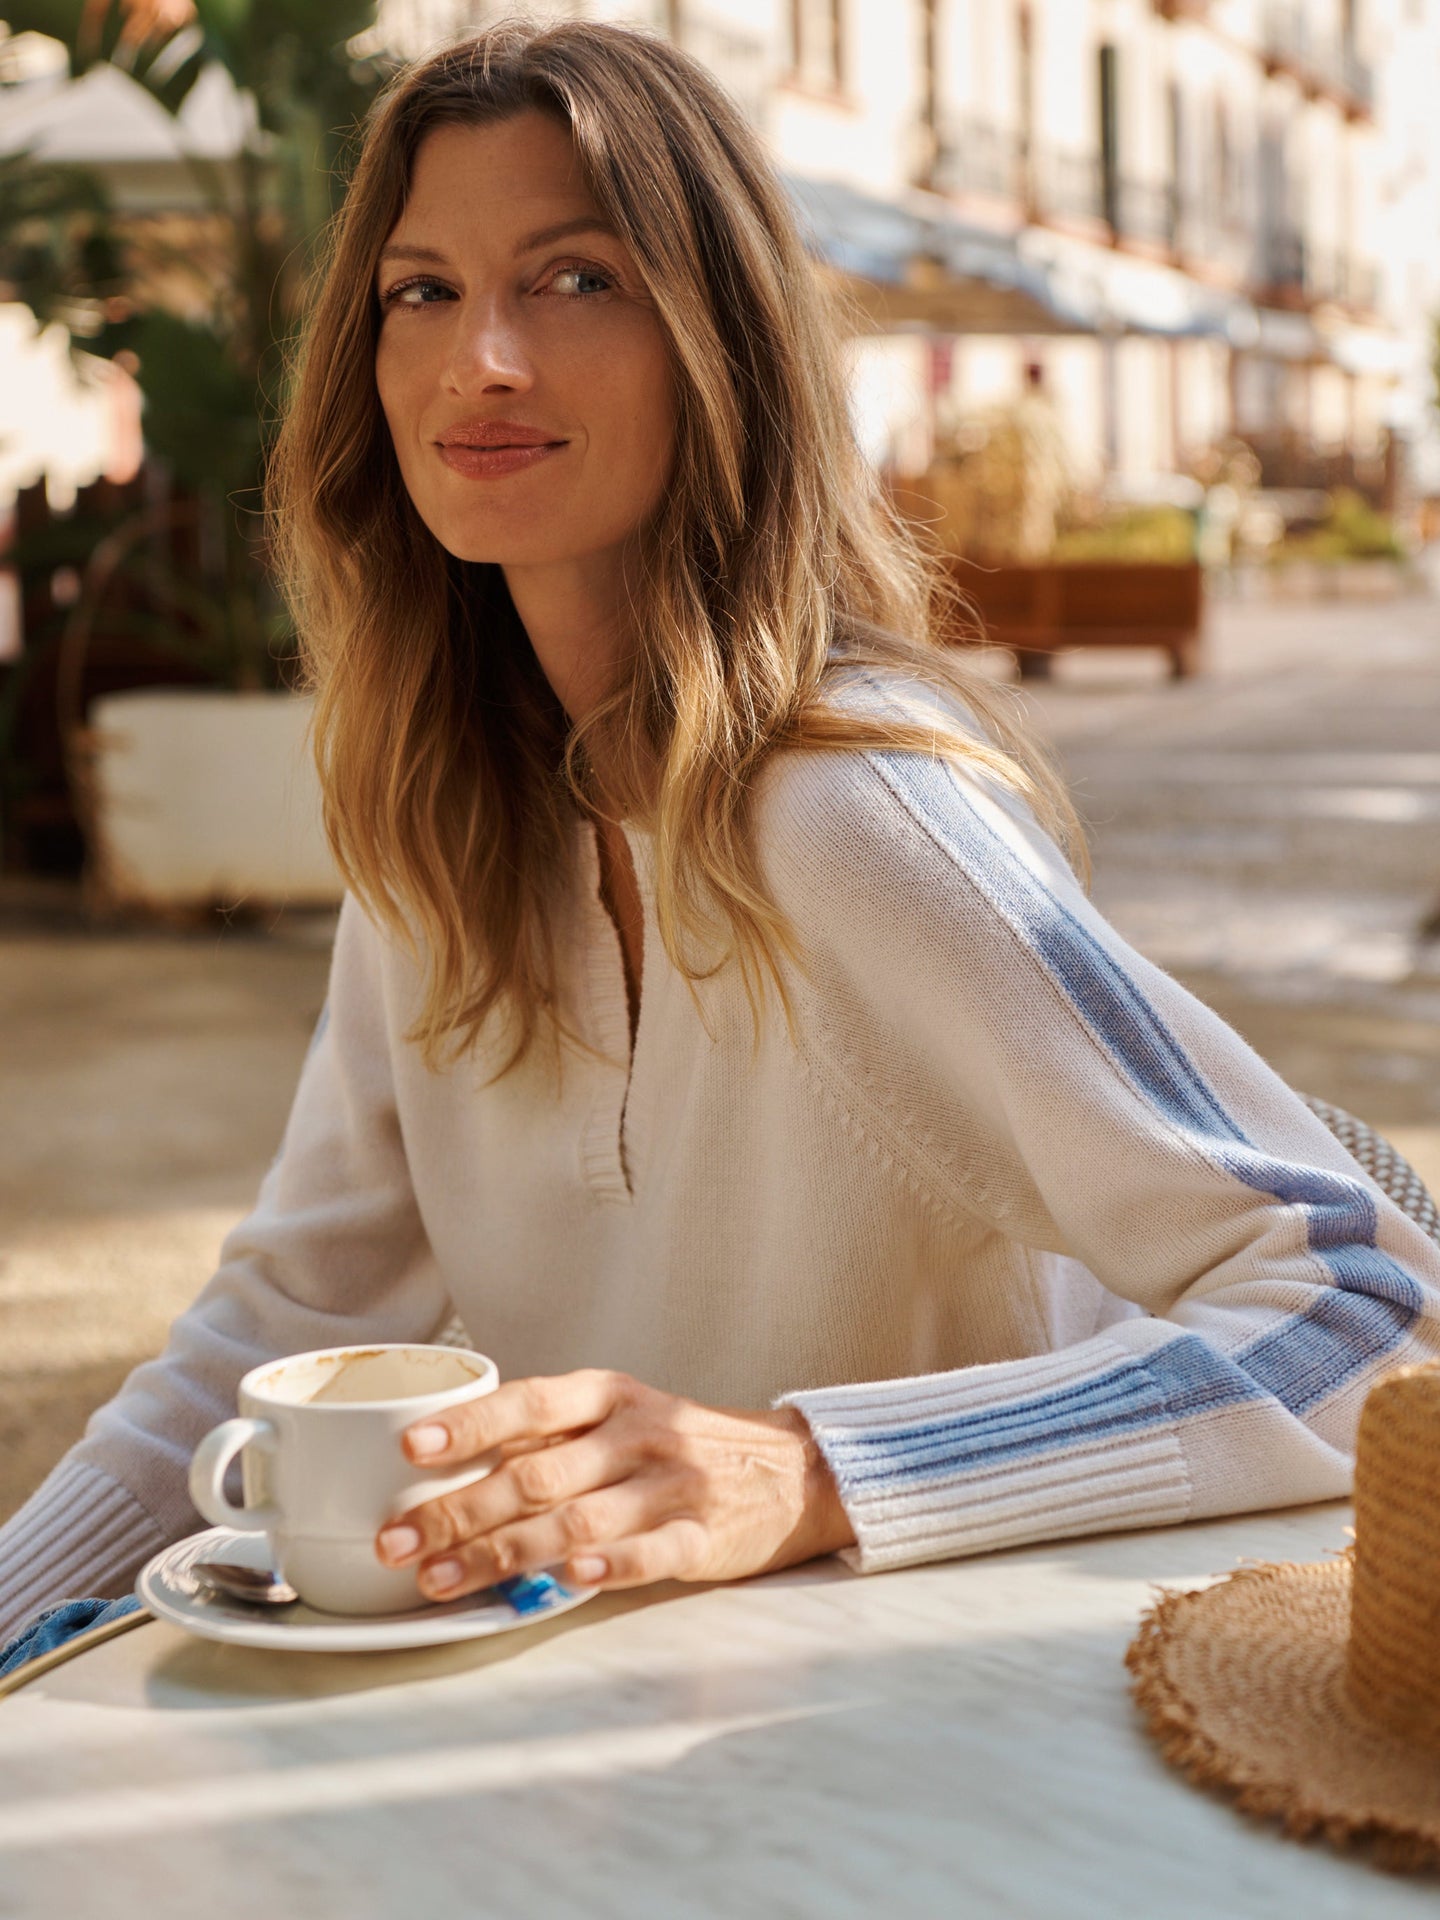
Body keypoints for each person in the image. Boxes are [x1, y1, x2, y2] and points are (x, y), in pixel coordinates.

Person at [3, 19, 1438, 1644]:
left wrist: (808, 1470)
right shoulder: (444, 821)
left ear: (720, 341)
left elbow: (1376, 1305)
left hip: (945, 1759)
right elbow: (267, 1333)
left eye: (575, 278)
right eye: (423, 290)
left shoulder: (853, 809)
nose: (483, 359)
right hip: (628, 1740)